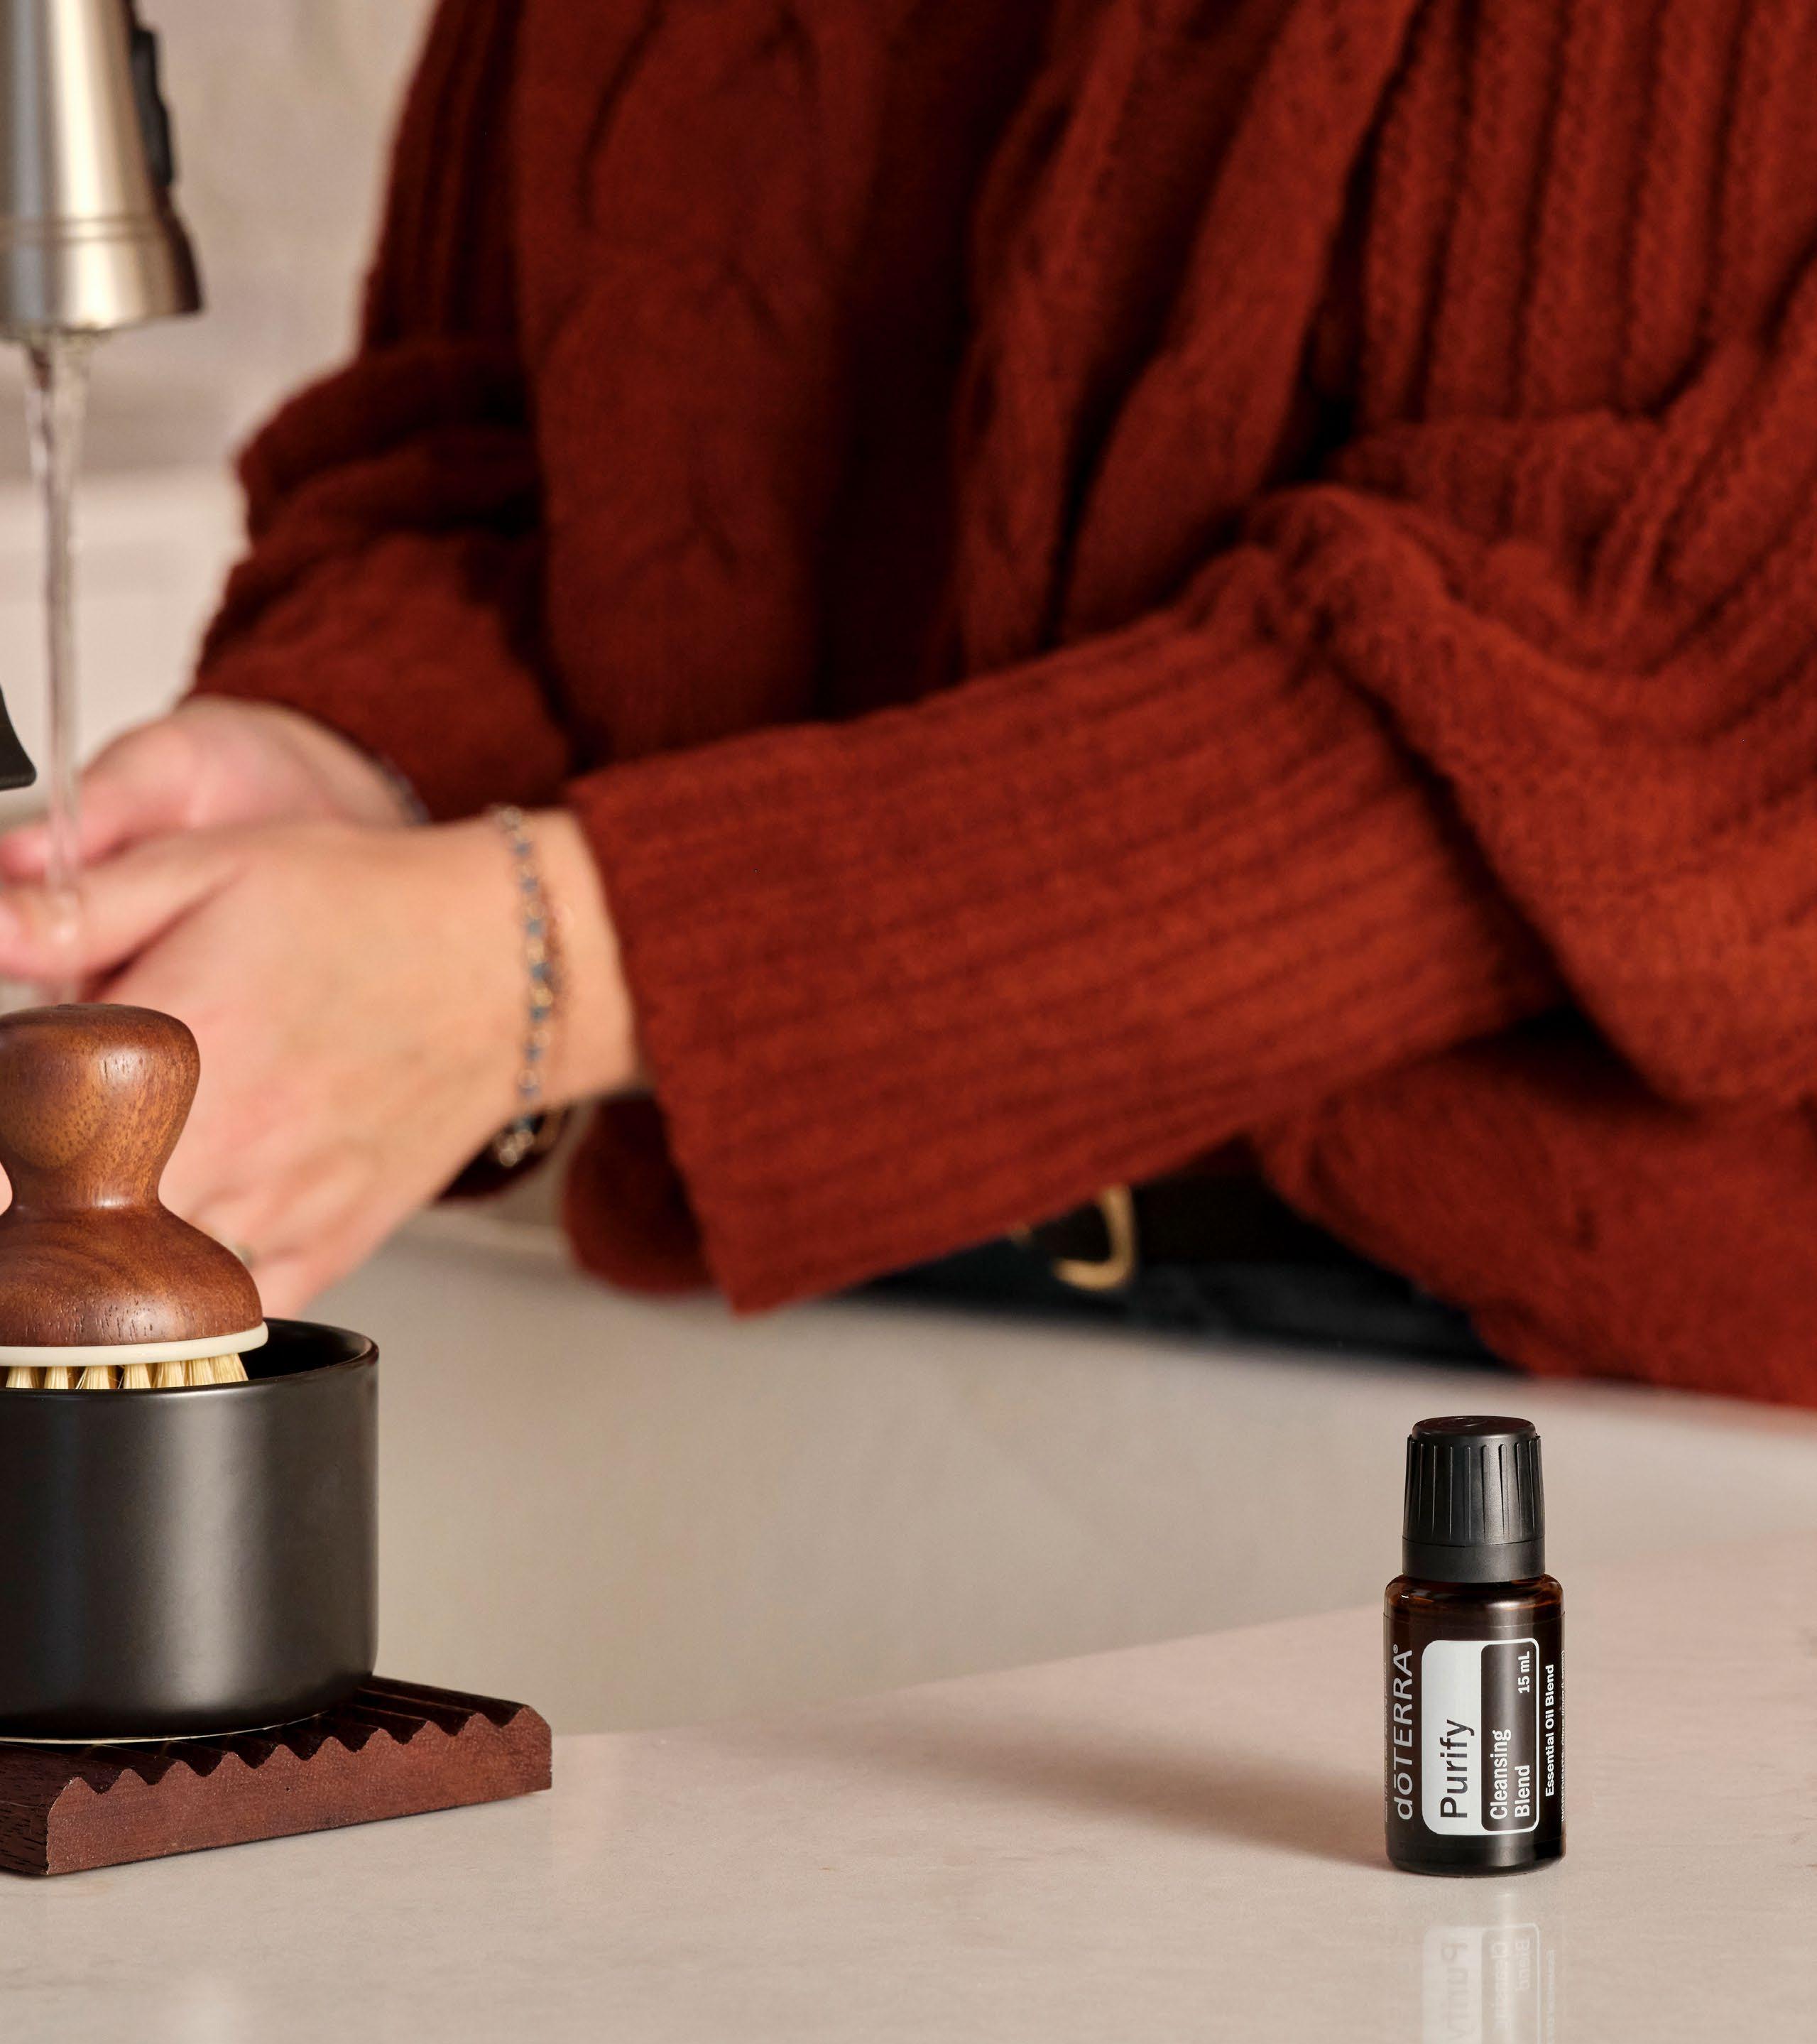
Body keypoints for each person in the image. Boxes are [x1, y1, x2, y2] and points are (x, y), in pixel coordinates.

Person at [0, 0, 1812, 1402]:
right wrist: (355, 763)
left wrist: (549, 960)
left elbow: (1642, 705)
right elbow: (477, 447)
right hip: (774, 1320)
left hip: (1527, 1387)